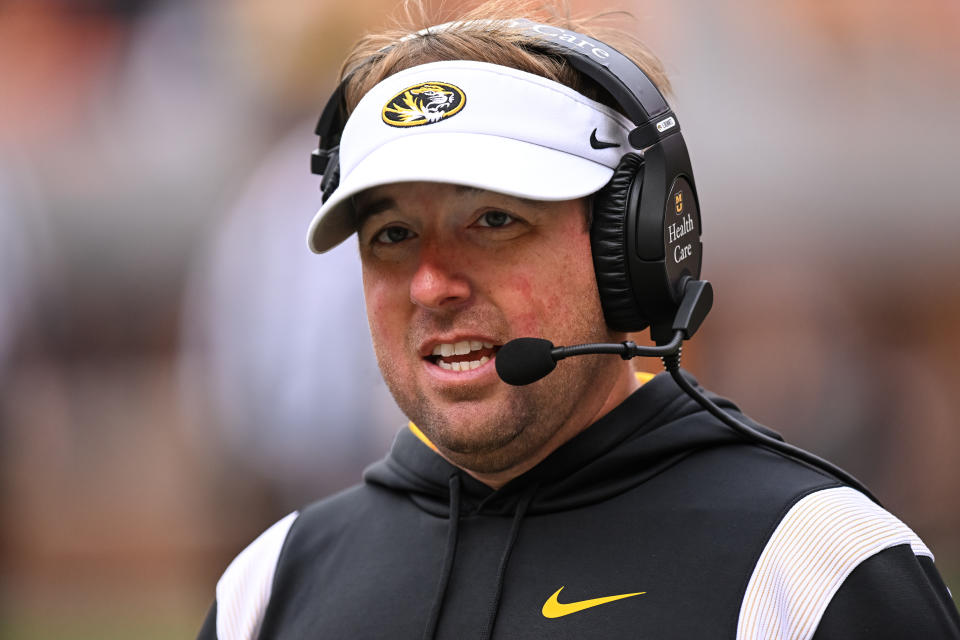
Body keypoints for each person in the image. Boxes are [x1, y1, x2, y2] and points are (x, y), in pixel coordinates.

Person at [198, 3, 960, 638]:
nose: (430, 284)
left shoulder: (813, 567)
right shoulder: (268, 591)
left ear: (629, 248)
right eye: (392, 235)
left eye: (493, 221)